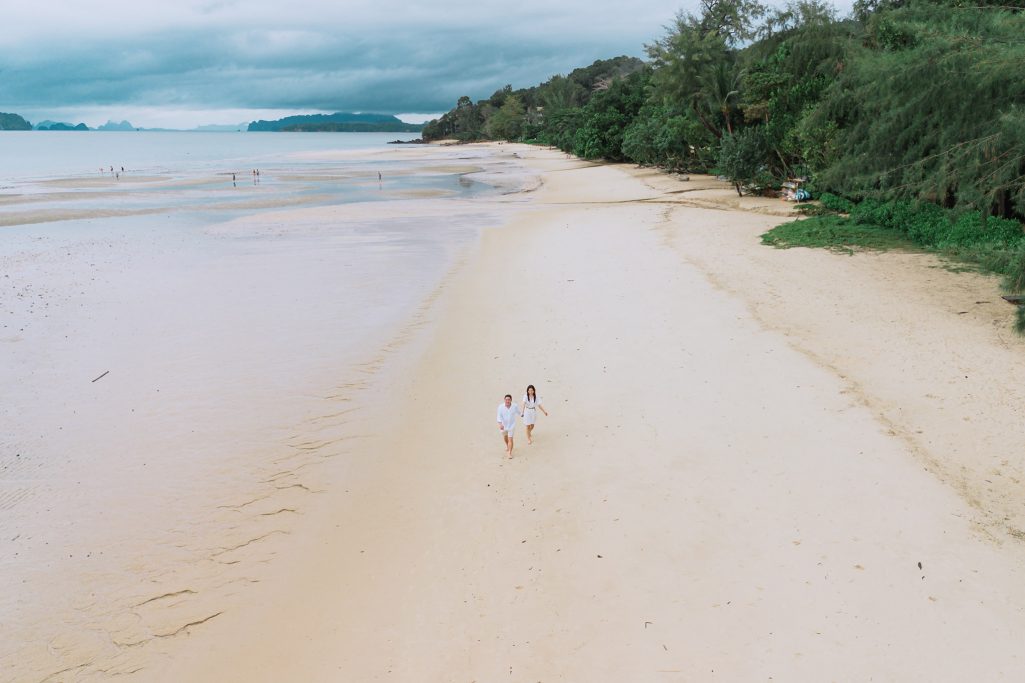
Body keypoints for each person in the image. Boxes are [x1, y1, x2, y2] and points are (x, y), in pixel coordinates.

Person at [497, 394, 519, 458]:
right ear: (504, 400)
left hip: (512, 425)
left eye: (509, 399)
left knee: (510, 439)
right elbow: (499, 416)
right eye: (506, 399)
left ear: (511, 400)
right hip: (503, 426)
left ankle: (509, 453)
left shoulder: (514, 406)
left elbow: (518, 412)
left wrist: (523, 415)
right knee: (505, 437)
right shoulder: (500, 407)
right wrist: (500, 424)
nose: (507, 401)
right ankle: (507, 446)